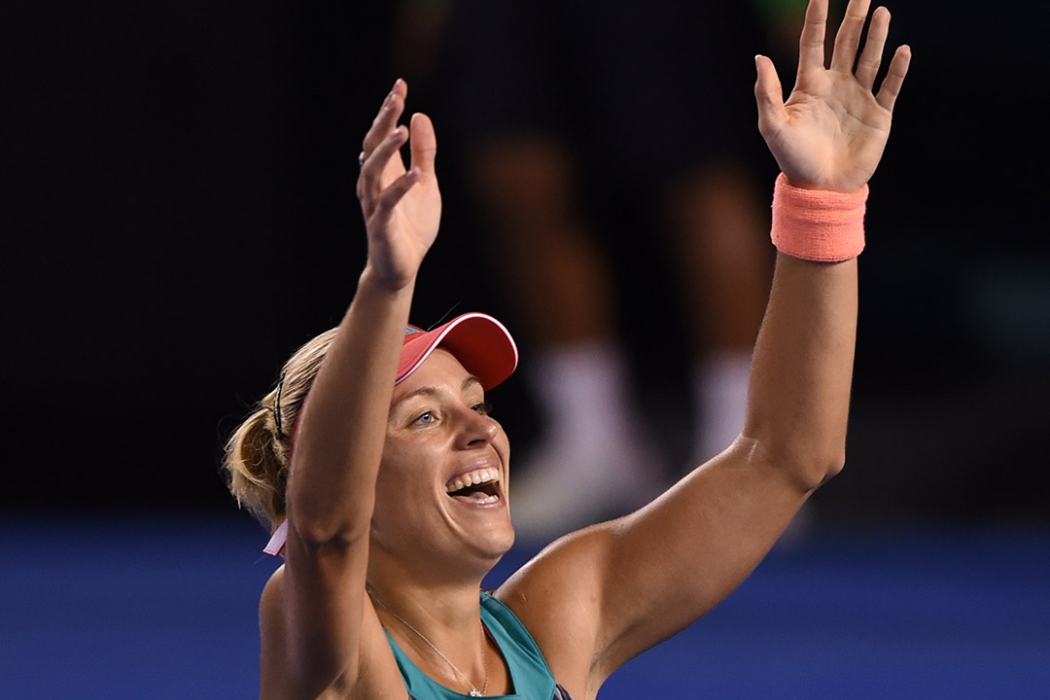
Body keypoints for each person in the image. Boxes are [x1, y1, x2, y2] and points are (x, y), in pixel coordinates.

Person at [222, 1, 910, 697]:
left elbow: (790, 455)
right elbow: (325, 529)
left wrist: (824, 202)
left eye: (476, 405)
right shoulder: (328, 641)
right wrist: (387, 283)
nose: (480, 431)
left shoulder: (561, 615)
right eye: (424, 417)